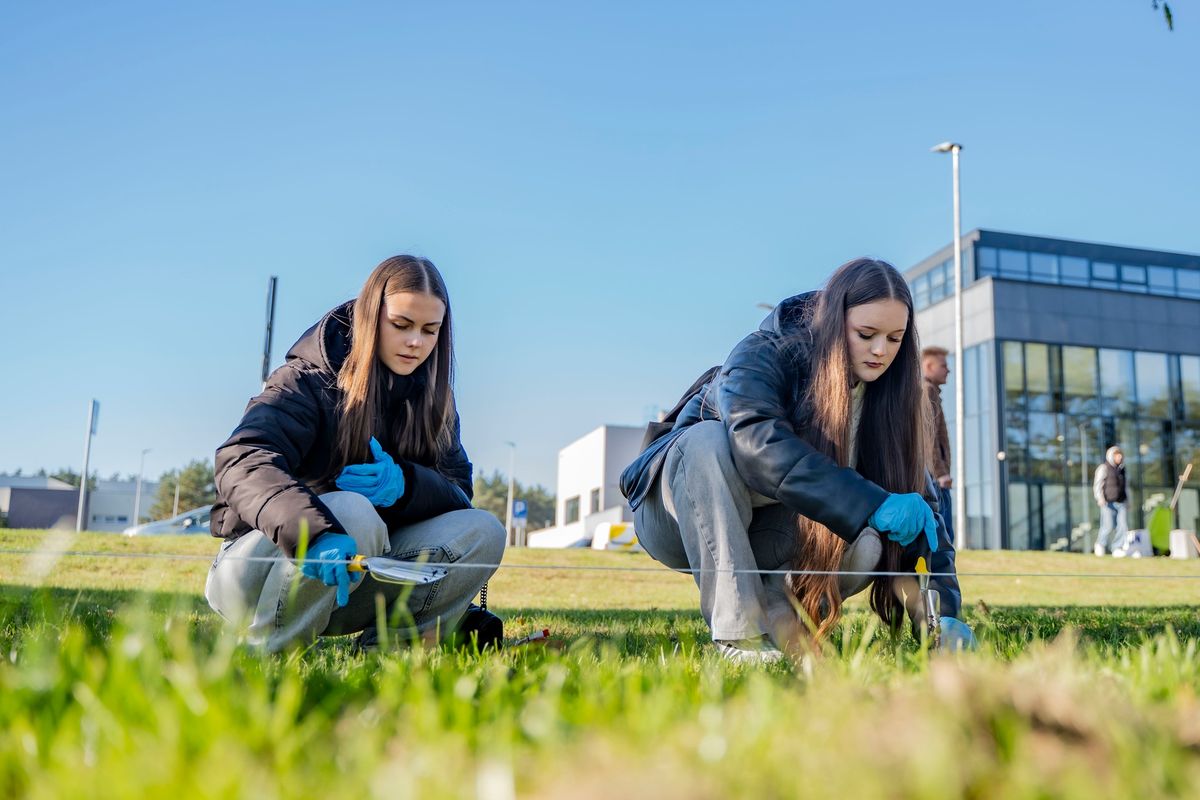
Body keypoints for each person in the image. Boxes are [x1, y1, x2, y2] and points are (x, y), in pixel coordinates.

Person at [620, 258, 974, 663]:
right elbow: (758, 446)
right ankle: (740, 636)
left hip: (771, 532)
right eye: (866, 334)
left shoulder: (889, 398)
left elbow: (927, 515)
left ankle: (781, 615)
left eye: (895, 339)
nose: (881, 351)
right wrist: (871, 504)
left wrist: (944, 617)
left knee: (869, 540)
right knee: (706, 442)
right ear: (832, 323)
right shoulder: (764, 353)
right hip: (677, 515)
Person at [205, 255, 506, 653]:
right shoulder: (305, 380)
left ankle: (389, 657)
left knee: (484, 530)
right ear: (369, 317)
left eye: (430, 331)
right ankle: (273, 654)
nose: (416, 342)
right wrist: (311, 532)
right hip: (256, 574)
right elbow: (242, 458)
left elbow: (458, 495)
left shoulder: (436, 401)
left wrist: (406, 486)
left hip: (358, 577)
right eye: (401, 325)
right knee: (352, 511)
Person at [921, 345, 954, 545]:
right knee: (944, 537)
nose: (948, 370)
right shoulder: (927, 391)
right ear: (929, 366)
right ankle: (940, 578)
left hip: (934, 476)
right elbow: (928, 437)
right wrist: (940, 472)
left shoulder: (931, 391)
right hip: (935, 478)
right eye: (943, 365)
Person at [1092, 445, 1129, 556]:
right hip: (1108, 502)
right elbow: (1098, 485)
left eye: (1121, 455)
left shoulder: (1122, 470)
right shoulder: (1103, 468)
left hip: (1121, 502)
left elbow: (1126, 487)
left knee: (1122, 526)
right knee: (1107, 526)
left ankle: (1117, 547)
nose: (1120, 457)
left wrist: (1128, 500)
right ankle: (1100, 544)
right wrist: (1100, 498)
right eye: (1117, 455)